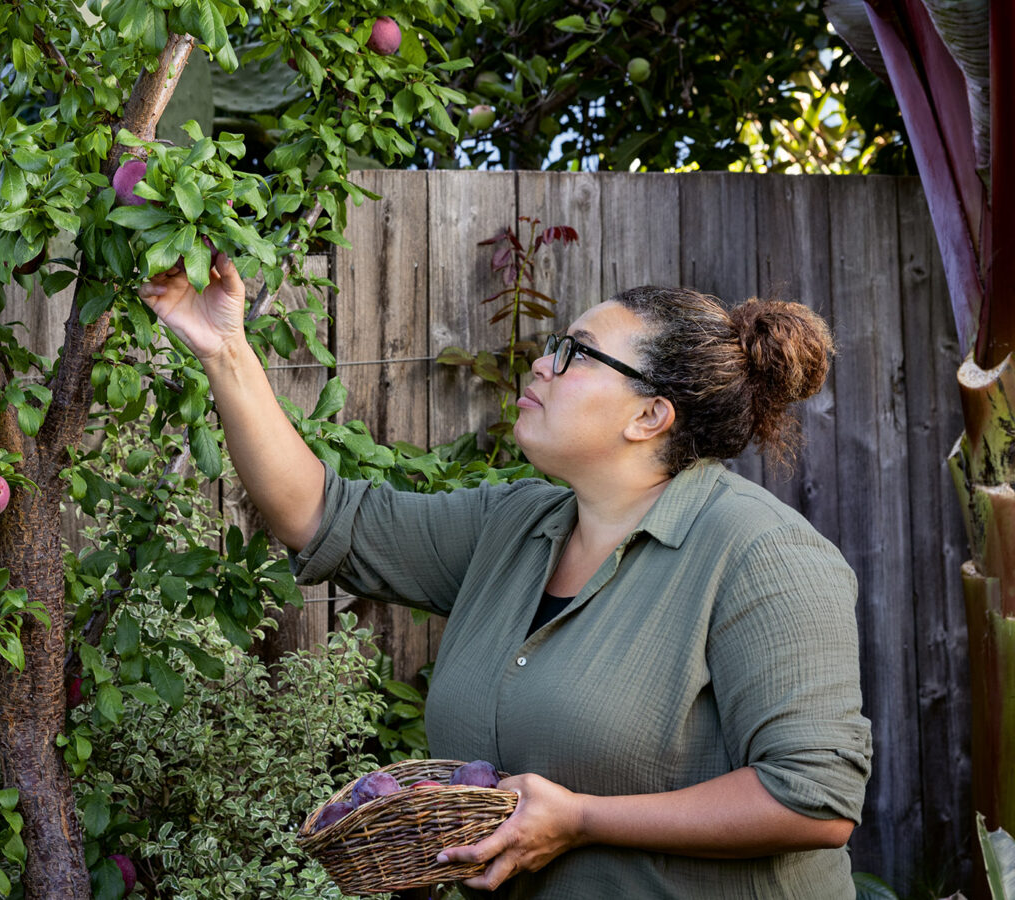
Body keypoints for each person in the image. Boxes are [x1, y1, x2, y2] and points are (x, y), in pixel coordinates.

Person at [139, 254, 872, 900]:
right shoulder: (515, 526)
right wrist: (224, 348)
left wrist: (582, 821)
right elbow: (320, 515)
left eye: (576, 355)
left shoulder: (761, 553)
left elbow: (812, 800)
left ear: (649, 414)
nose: (541, 365)